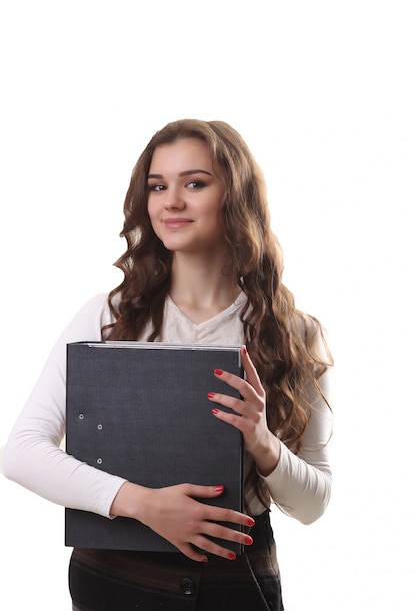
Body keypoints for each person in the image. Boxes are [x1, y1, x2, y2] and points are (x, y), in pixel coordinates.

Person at [4, 118, 333, 611]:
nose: (171, 201)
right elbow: (22, 452)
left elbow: (314, 504)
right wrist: (146, 505)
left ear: (236, 197)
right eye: (158, 186)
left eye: (194, 183)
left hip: (236, 582)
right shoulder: (108, 315)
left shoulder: (296, 333)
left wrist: (262, 440)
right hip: (114, 579)